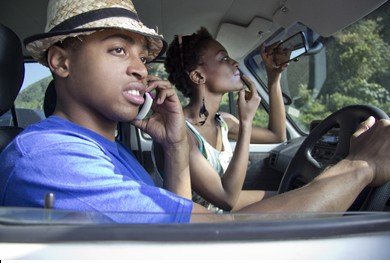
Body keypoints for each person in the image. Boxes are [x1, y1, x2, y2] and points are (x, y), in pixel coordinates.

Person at [1, 0, 390, 224]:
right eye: (118, 49)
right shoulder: (50, 156)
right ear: (61, 62)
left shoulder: (107, 150)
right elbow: (218, 235)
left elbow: (176, 227)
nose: (140, 68)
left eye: (142, 55)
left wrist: (174, 145)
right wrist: (360, 168)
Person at [155, 27, 287, 212]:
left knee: (290, 194)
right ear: (198, 76)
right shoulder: (179, 132)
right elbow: (227, 199)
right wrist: (246, 123)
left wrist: (273, 79)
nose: (234, 63)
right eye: (223, 58)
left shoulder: (225, 122)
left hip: (221, 216)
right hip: (201, 228)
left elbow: (277, 135)